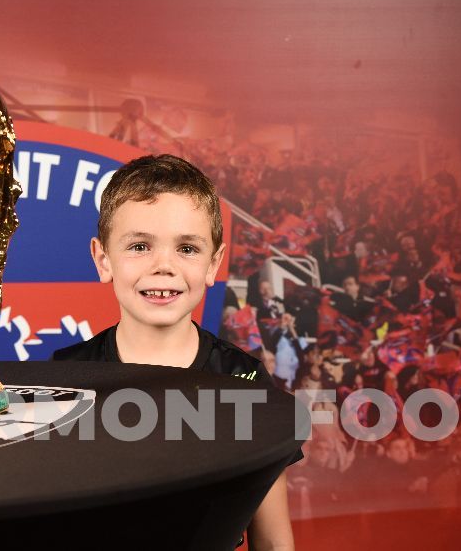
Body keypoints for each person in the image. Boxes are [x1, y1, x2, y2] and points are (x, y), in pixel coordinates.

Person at [52, 154, 298, 551]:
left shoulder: (245, 382)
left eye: (186, 248)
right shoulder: (64, 379)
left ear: (213, 263)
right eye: (139, 246)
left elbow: (272, 540)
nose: (163, 265)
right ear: (103, 259)